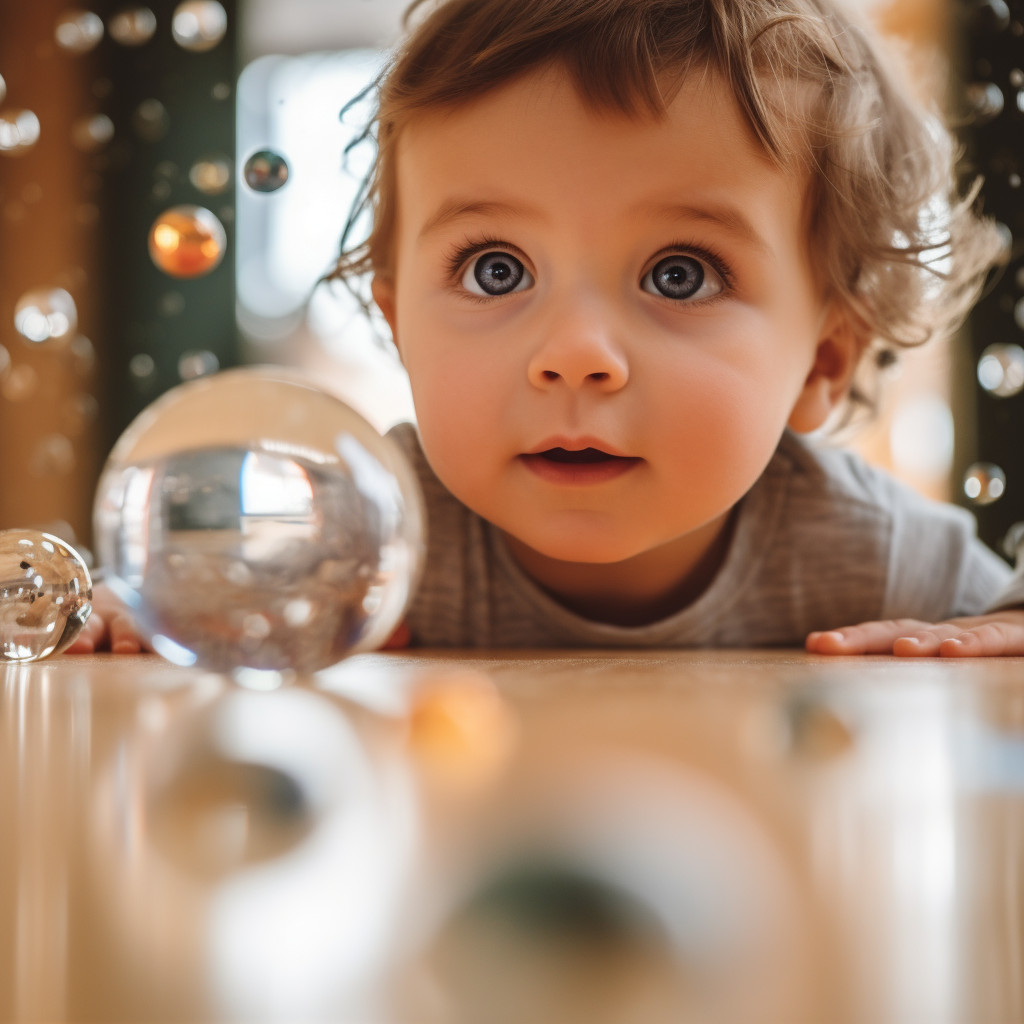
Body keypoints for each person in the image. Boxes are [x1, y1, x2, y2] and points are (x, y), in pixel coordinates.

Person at [76, 0, 1024, 657]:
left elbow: (1000, 622)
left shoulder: (873, 552)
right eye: (497, 270)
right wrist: (137, 615)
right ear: (399, 321)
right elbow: (191, 604)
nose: (575, 354)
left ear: (823, 359)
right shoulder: (371, 535)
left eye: (679, 273)